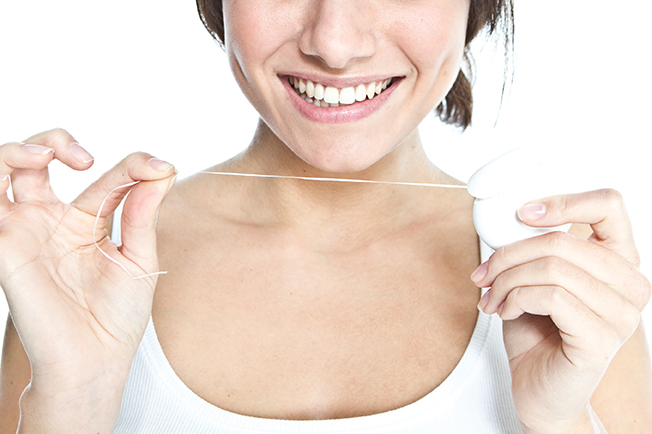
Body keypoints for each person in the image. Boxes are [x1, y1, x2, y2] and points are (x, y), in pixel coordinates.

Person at [1, 0, 651, 433]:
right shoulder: (94, 271)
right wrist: (70, 400)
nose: (335, 45)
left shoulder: (562, 288)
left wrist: (563, 422)